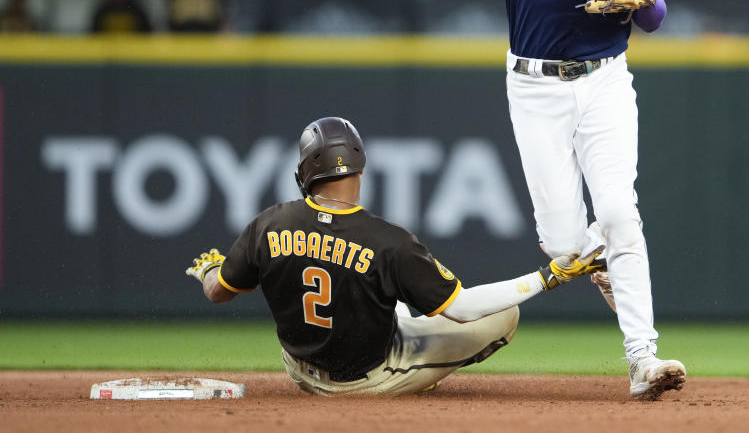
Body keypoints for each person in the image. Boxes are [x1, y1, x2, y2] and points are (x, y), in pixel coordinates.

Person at [428, 0, 685, 399]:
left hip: (605, 82)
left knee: (621, 214)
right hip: (536, 87)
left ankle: (643, 358)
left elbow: (654, 19)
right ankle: (604, 263)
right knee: (566, 244)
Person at [186, 117, 602, 397]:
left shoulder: (269, 223)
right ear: (360, 167)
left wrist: (210, 270)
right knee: (503, 315)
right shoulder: (389, 242)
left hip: (298, 365)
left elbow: (218, 292)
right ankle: (409, 377)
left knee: (392, 297)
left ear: (305, 173)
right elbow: (462, 309)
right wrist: (546, 277)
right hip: (362, 380)